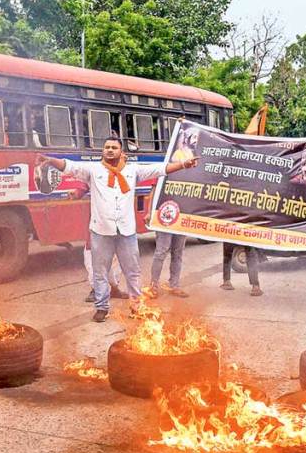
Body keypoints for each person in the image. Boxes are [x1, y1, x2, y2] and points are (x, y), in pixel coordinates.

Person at [36, 136, 198, 322]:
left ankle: (137, 306)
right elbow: (69, 166)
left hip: (126, 232)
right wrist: (49, 160)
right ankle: (102, 308)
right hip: (101, 231)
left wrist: (183, 164)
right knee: (100, 272)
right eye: (107, 147)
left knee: (133, 272)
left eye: (114, 147)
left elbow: (160, 169)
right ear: (103, 151)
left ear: (121, 152)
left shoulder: (133, 170)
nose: (110, 150)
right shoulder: (93, 170)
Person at [147, 180, 190, 298]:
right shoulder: (166, 168)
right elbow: (154, 191)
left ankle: (174, 285)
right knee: (161, 252)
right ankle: (153, 286)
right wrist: (149, 212)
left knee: (178, 253)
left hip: (183, 217)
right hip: (164, 215)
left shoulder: (192, 171)